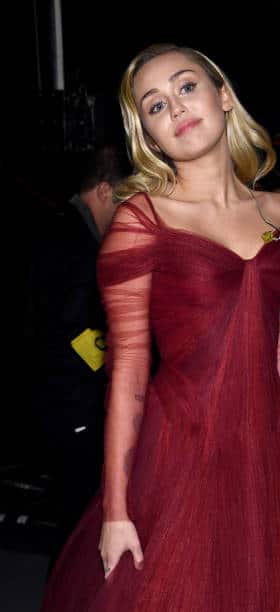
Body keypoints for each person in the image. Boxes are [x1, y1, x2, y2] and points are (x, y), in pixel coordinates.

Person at [41, 43, 280, 611]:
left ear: (223, 96)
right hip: (182, 452)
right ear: (150, 136)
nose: (175, 107)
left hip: (271, 454)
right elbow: (127, 372)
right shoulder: (142, 220)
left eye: (186, 86)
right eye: (155, 105)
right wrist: (117, 510)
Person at [26, 145, 130, 560]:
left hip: (59, 400)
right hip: (72, 405)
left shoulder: (61, 228)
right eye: (122, 200)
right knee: (79, 526)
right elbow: (73, 330)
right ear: (104, 190)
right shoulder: (74, 243)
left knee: (77, 522)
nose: (125, 213)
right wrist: (117, 363)